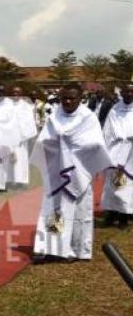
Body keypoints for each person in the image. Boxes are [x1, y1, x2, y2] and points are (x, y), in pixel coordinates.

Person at [31, 84, 111, 263]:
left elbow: (96, 144)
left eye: (72, 98)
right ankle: (52, 248)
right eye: (64, 98)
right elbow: (43, 141)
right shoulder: (55, 116)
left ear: (80, 98)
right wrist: (57, 143)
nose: (67, 101)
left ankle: (76, 250)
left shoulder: (88, 118)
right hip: (56, 172)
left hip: (79, 172)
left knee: (78, 214)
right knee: (55, 210)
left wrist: (71, 144)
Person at [100, 85, 133, 228]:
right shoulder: (114, 110)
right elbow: (108, 129)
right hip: (116, 149)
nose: (129, 94)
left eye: (132, 92)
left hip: (131, 152)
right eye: (127, 91)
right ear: (122, 93)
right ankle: (110, 215)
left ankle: (124, 217)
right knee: (111, 184)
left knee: (127, 185)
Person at [7, 86, 38, 186]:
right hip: (9, 138)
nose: (15, 94)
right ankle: (9, 180)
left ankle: (21, 180)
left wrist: (22, 135)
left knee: (20, 160)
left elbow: (29, 122)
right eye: (13, 92)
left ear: (21, 94)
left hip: (21, 138)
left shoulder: (27, 106)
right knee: (8, 160)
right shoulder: (7, 105)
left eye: (17, 92)